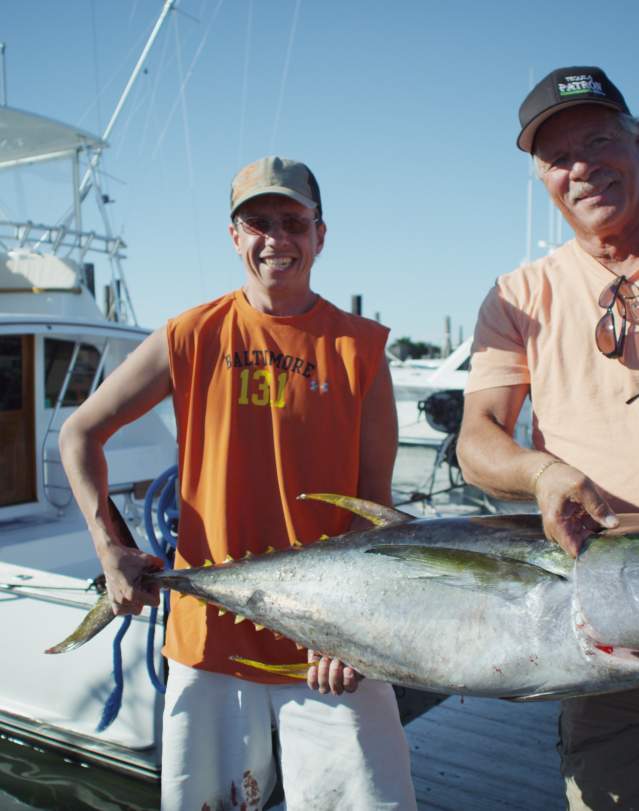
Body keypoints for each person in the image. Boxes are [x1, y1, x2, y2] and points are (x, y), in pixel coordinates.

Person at [59, 155, 417, 811]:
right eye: (257, 222)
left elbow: (375, 511)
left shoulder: (360, 347)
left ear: (319, 233)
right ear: (234, 236)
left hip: (327, 650)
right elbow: (79, 433)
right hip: (209, 643)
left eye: (291, 222)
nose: (275, 239)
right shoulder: (190, 335)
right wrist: (110, 547)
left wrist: (354, 632)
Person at [457, 66, 639, 810]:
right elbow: (478, 436)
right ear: (538, 177)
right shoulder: (518, 295)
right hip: (603, 632)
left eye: (598, 139)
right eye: (556, 157)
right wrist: (539, 475)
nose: (580, 168)